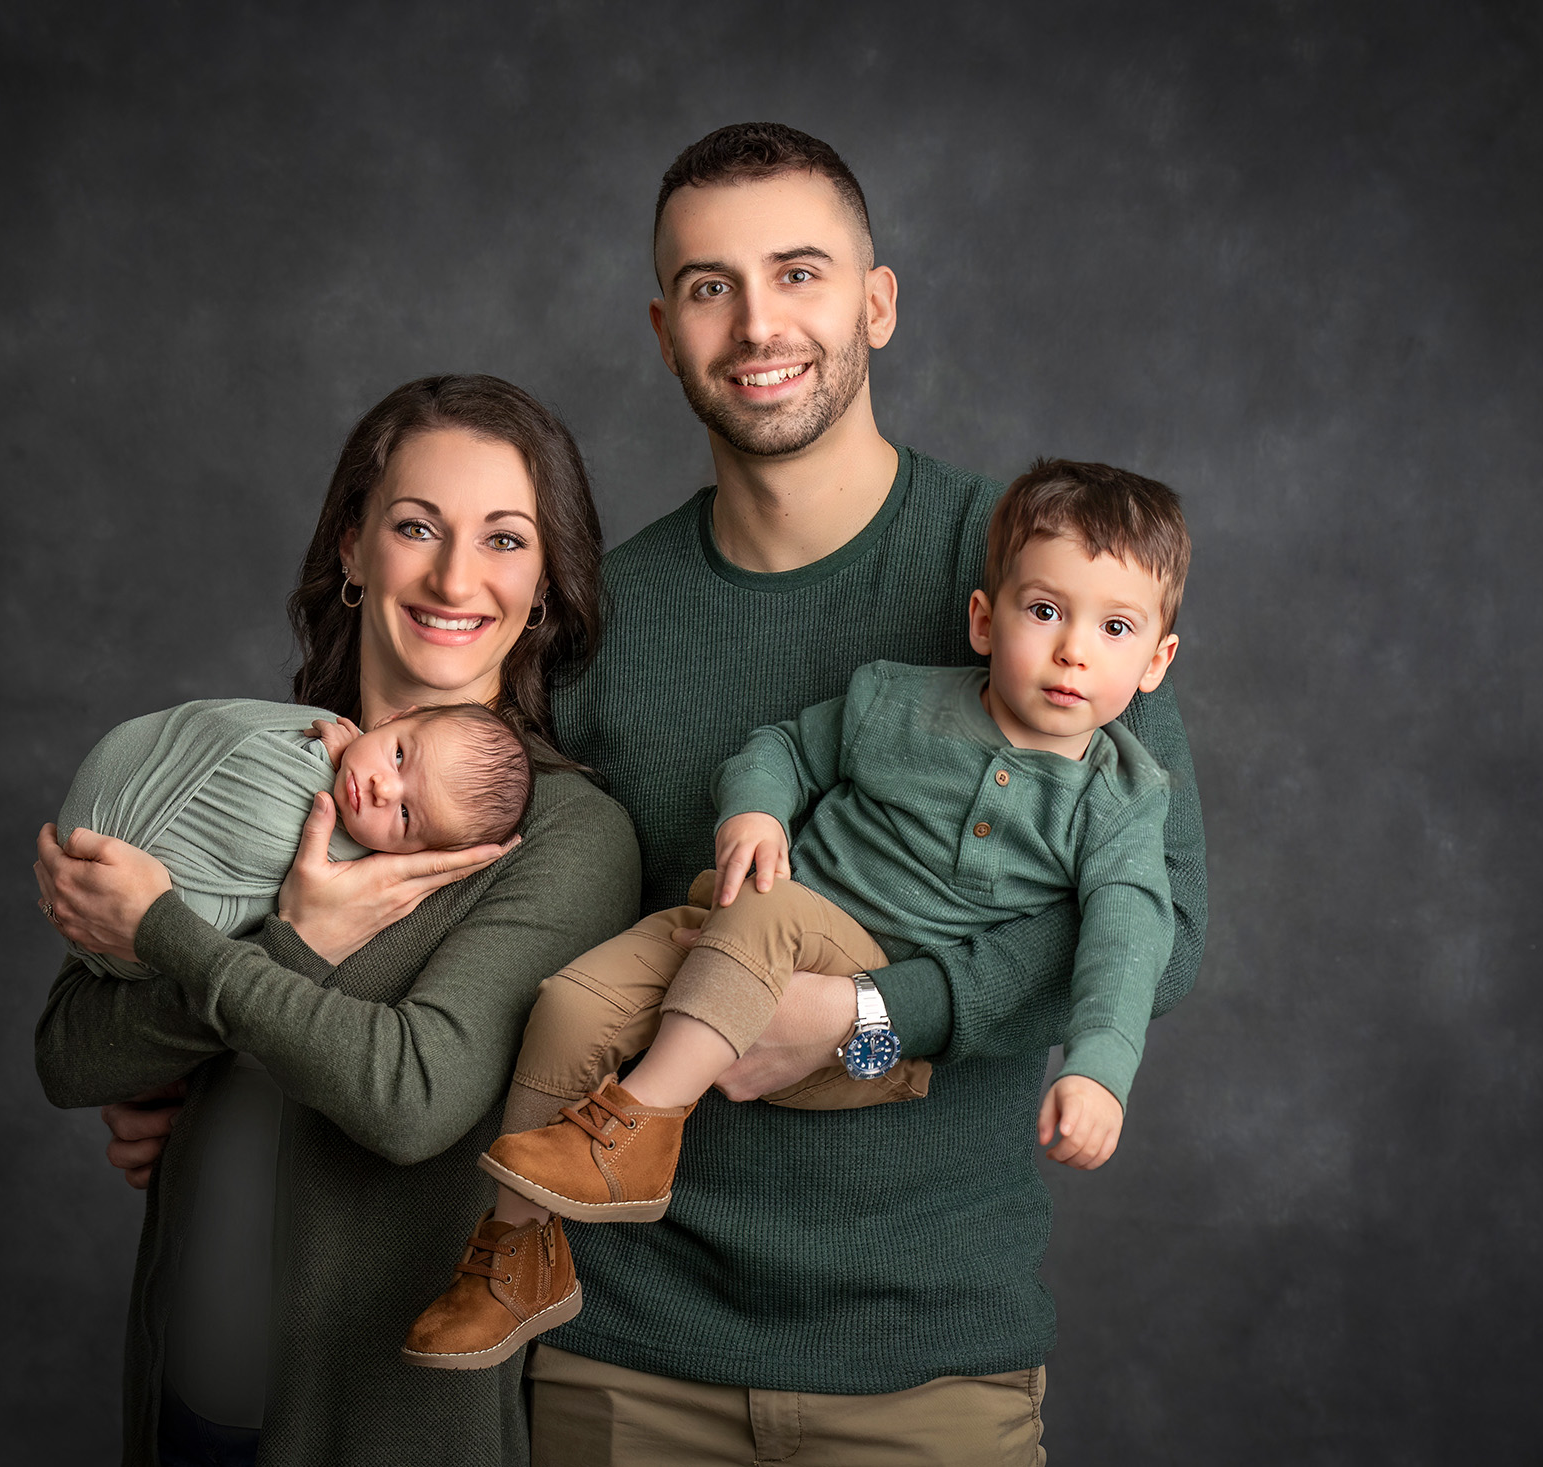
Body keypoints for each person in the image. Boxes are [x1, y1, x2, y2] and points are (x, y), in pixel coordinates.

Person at [97, 123, 1210, 1465]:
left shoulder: (1047, 579)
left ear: (878, 301)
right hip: (625, 1357)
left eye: (799, 272)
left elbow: (1158, 927)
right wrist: (234, 1079)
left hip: (923, 1354)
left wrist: (862, 1021)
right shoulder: (601, 626)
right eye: (707, 286)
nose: (757, 323)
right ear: (663, 327)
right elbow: (459, 905)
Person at [401, 458, 1190, 1372]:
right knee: (570, 1005)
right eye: (1045, 611)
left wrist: (1099, 1070)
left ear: (1156, 661)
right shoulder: (898, 698)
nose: (1072, 651)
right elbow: (782, 747)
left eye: (1116, 627)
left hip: (857, 971)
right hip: (743, 915)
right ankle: (515, 1256)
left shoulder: (1122, 800)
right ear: (985, 618)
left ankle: (643, 1124)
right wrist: (755, 810)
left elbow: (1132, 938)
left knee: (765, 912)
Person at [31, 374, 640, 1467]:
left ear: (544, 584)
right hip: (184, 1399)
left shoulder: (562, 835)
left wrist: (226, 944)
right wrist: (259, 961)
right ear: (352, 551)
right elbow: (71, 1055)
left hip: (380, 1426)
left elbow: (413, 1102)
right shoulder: (248, 769)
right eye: (416, 527)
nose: (456, 576)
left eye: (504, 539)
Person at [50, 698, 534, 982]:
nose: (382, 787)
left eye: (406, 815)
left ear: (417, 855)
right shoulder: (314, 727)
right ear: (392, 719)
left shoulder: (364, 873)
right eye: (400, 755)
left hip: (131, 909)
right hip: (109, 820)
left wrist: (160, 931)